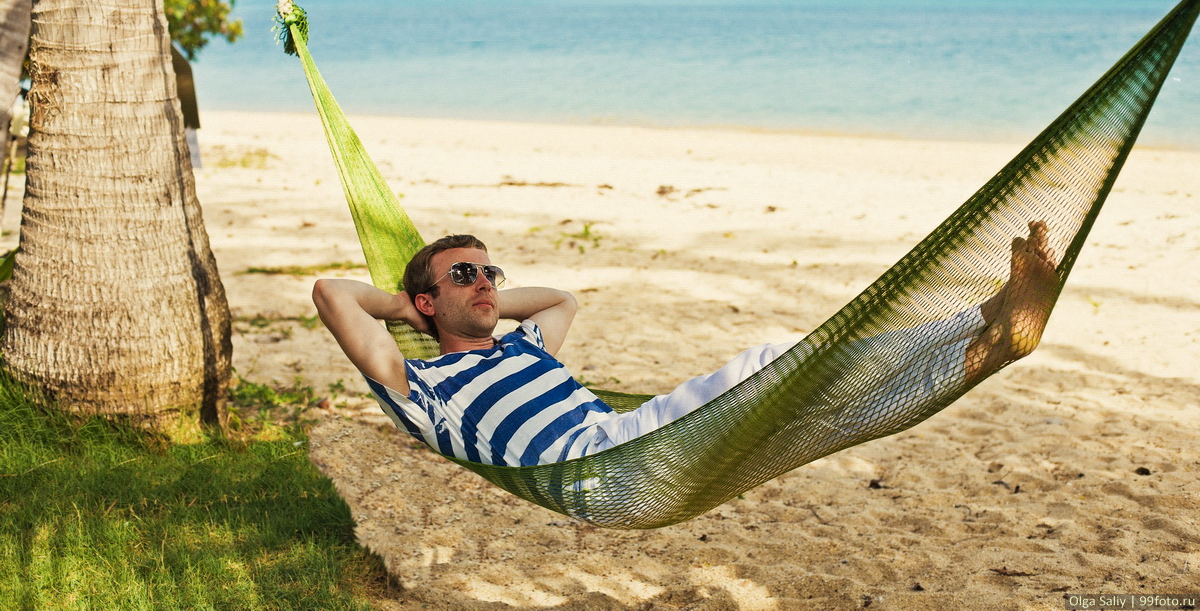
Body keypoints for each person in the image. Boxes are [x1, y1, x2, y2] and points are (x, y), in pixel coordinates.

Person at [312, 223, 1059, 468]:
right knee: (777, 364)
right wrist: (411, 315)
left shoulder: (524, 349)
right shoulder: (425, 390)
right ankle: (990, 315)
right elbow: (331, 295)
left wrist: (483, 302)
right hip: (607, 462)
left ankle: (991, 338)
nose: (485, 283)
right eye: (464, 275)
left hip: (639, 434)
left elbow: (566, 299)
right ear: (423, 301)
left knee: (814, 398)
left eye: (490, 271)